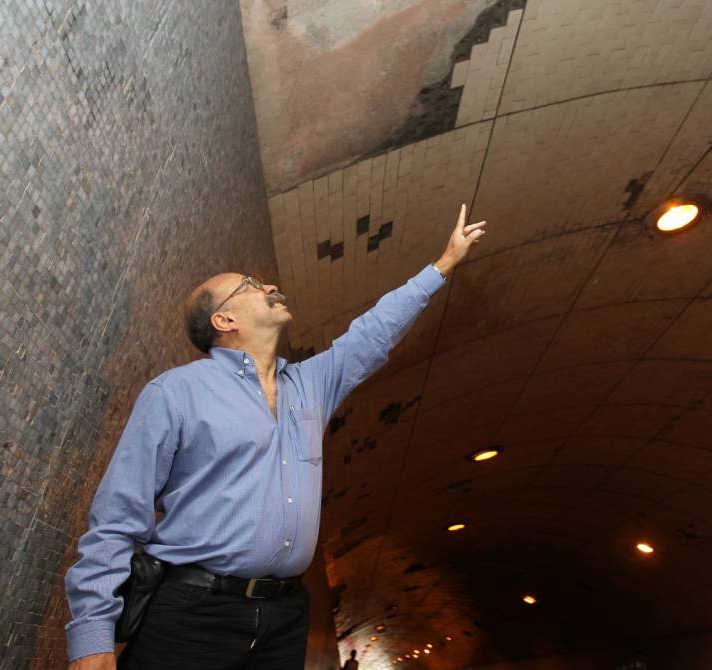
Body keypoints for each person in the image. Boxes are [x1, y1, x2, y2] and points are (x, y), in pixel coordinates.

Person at [64, 205, 487, 669]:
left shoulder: (310, 385)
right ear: (224, 322)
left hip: (284, 620)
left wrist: (443, 264)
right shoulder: (175, 392)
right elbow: (117, 517)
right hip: (193, 613)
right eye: (250, 285)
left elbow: (372, 334)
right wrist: (92, 638)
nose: (269, 286)